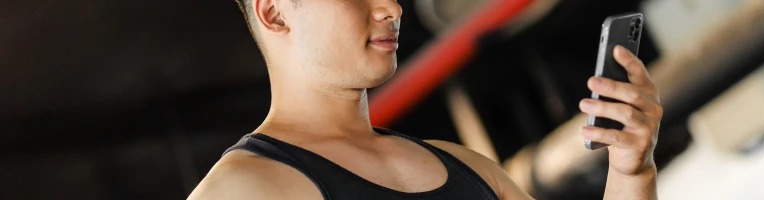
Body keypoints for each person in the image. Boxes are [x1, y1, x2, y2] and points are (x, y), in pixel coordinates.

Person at [187, 0, 663, 199]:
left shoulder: (471, 168)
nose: (392, 7)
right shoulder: (244, 190)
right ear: (274, 14)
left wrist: (630, 172)